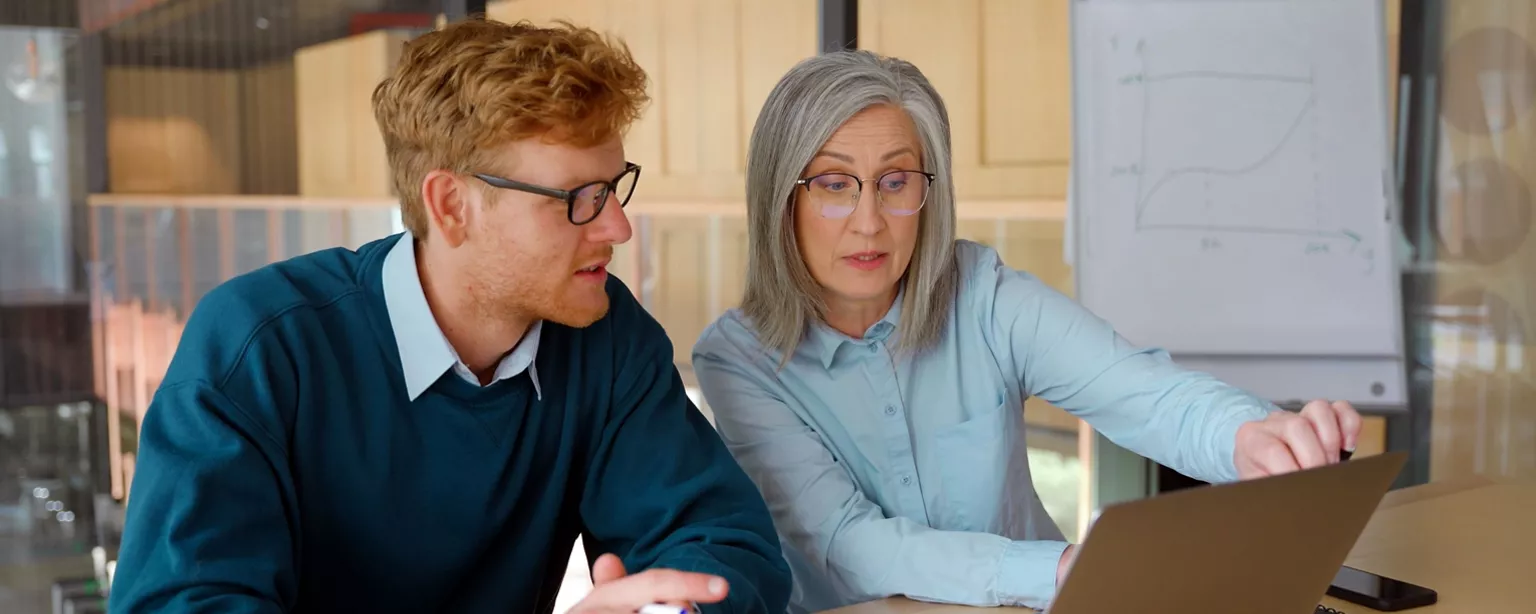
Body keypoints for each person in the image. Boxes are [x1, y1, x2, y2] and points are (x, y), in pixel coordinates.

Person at [109, 19, 791, 614]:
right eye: (578, 198)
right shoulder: (258, 348)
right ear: (451, 205)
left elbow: (724, 543)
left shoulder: (605, 338)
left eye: (612, 188)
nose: (617, 226)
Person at [690, 50, 1364, 614]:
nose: (870, 221)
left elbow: (1143, 392)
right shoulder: (738, 361)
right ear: (782, 198)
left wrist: (1249, 437)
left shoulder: (981, 294)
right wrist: (1065, 569)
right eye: (836, 184)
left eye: (896, 181)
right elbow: (850, 544)